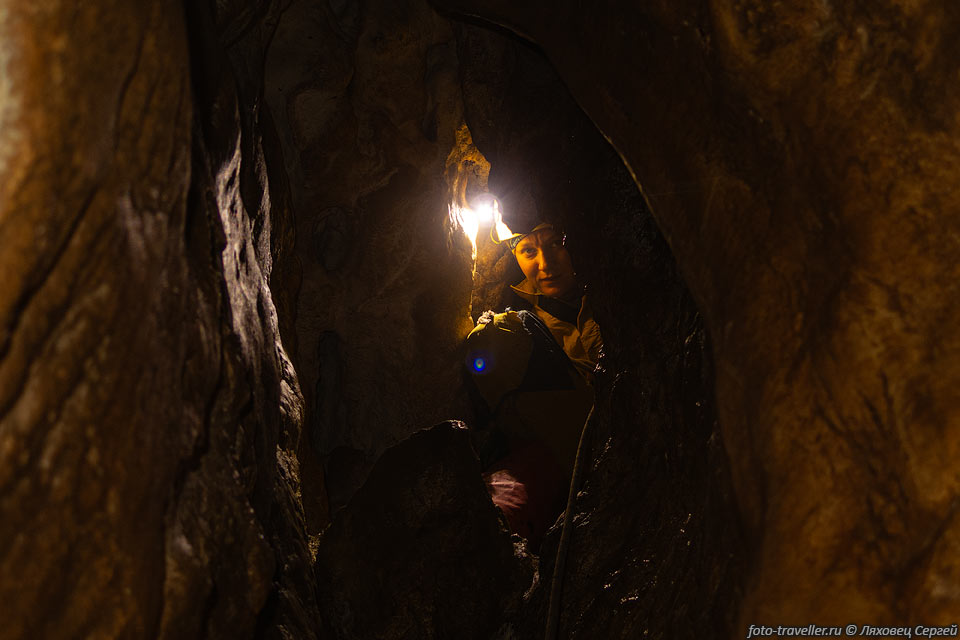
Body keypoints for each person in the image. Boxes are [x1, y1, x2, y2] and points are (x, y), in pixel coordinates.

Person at [465, 219, 602, 548]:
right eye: (528, 250)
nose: (545, 264)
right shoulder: (531, 321)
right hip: (556, 450)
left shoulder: (607, 297)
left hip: (600, 433)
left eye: (555, 243)